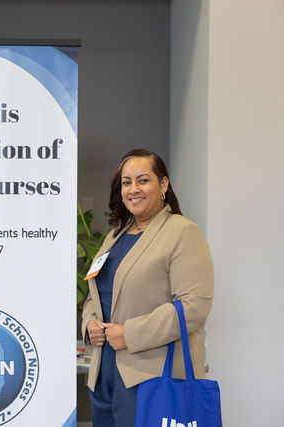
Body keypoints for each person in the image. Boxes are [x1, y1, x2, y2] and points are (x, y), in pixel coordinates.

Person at [81, 148, 213, 426]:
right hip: (104, 373)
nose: (133, 189)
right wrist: (90, 323)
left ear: (163, 185)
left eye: (143, 180)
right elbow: (97, 291)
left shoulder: (182, 232)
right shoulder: (115, 235)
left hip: (150, 376)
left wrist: (130, 334)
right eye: (126, 183)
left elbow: (194, 307)